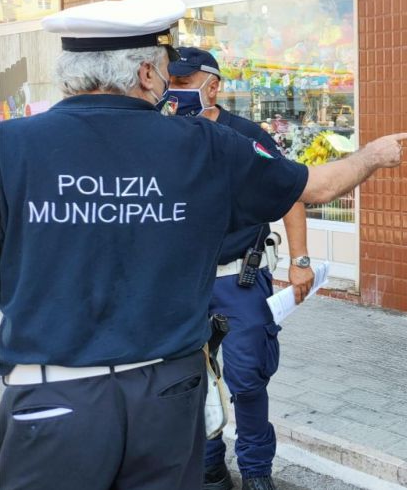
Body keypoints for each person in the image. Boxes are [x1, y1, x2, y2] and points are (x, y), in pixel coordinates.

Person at [0, 0, 407, 490]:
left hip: (50, 400)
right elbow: (313, 186)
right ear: (146, 74)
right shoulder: (205, 147)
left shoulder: (10, 148)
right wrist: (369, 156)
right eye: (165, 71)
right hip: (167, 394)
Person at [165, 47, 312, 490]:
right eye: (171, 82)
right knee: (191, 384)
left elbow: (293, 191)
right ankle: (209, 464)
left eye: (186, 84)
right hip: (180, 285)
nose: (176, 91)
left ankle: (255, 471)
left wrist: (300, 262)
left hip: (239, 279)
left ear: (214, 85)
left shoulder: (246, 135)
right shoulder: (160, 134)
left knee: (247, 381)